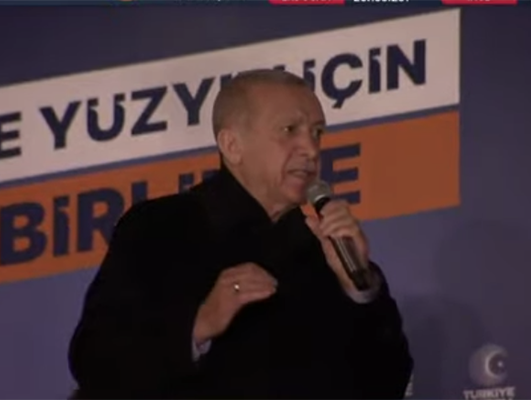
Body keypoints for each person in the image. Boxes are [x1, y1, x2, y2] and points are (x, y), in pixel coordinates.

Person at [68, 69, 413, 400]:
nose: (311, 149)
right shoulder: (161, 227)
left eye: (317, 132)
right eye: (289, 129)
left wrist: (359, 289)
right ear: (232, 145)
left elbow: (389, 383)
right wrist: (199, 324)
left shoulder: (326, 253)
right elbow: (95, 360)